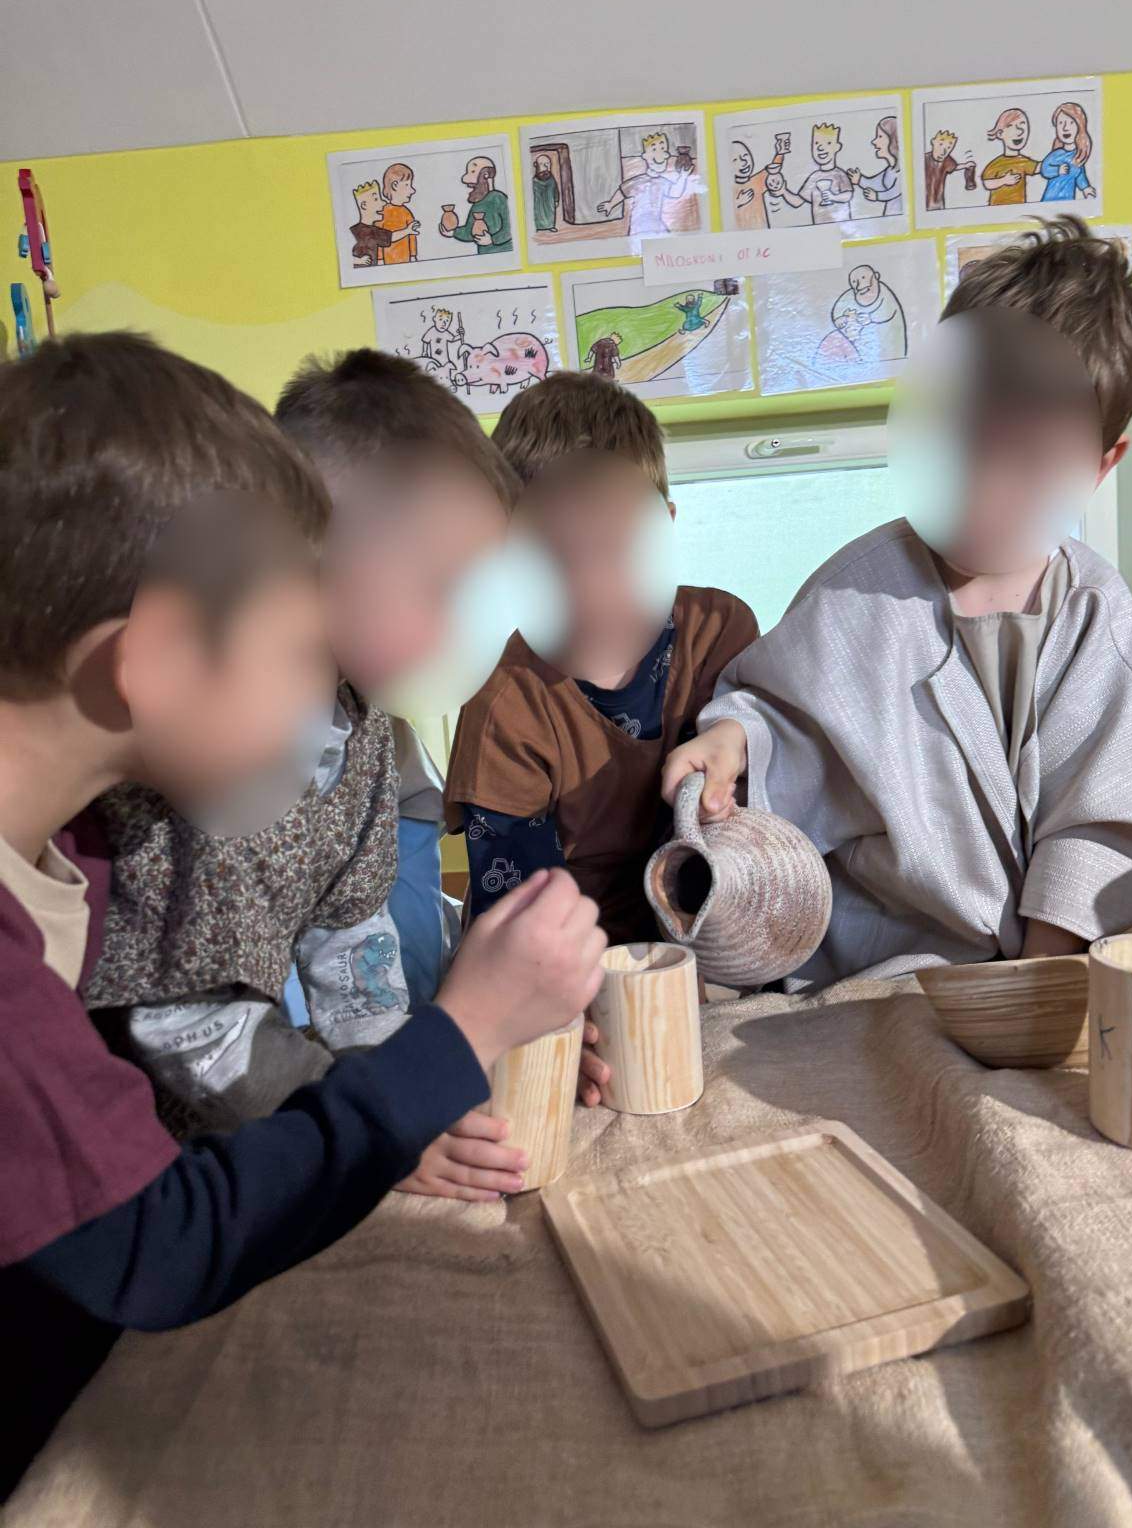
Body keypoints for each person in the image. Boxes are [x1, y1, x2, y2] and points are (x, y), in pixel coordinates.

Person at [0, 333, 606, 1497]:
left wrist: (436, 1069)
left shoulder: (69, 854)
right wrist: (454, 1040)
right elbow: (155, 1241)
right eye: (290, 642)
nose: (312, 698)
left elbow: (353, 957)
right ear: (150, 658)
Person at [664, 218, 1132, 985]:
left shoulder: (1092, 612)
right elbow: (792, 717)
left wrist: (1041, 975)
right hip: (882, 965)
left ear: (1100, 466)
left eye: (1032, 466)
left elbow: (1119, 811)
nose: (987, 491)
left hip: (1053, 960)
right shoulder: (860, 587)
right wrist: (735, 743)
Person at [82, 350, 550, 1208]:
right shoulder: (208, 734)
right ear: (314, 551)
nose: (457, 626)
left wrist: (398, 1101)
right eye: (438, 588)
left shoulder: (365, 731)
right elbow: (187, 1021)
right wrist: (362, 1130)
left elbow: (352, 938)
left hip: (272, 1132)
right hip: (146, 1170)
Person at [444, 369, 759, 1106]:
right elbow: (515, 913)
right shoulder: (504, 705)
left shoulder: (723, 633)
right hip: (573, 968)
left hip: (711, 942)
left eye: (619, 551)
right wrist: (563, 1013)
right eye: (552, 561)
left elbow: (766, 805)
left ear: (666, 530)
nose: (590, 590)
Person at [598, 132, 690, 238]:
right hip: (639, 225)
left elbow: (675, 193)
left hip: (656, 224)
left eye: (663, 149)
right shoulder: (638, 181)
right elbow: (622, 191)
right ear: (645, 156)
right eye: (654, 149)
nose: (661, 154)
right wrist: (610, 204)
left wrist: (683, 176)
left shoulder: (663, 182)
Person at [442, 156, 512, 254]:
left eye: (473, 172)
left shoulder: (499, 198)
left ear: (486, 175)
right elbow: (470, 231)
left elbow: (511, 227)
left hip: (504, 251)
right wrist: (453, 233)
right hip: (484, 254)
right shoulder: (478, 203)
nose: (465, 180)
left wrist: (492, 239)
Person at [1039, 102, 1096, 201]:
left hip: (1068, 199)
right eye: (1061, 123)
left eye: (1071, 123)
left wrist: (1085, 188)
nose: (1065, 128)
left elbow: (1080, 175)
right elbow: (1044, 169)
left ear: (1079, 127)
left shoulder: (1078, 157)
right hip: (1050, 199)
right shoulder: (1055, 154)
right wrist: (1057, 170)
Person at [982, 109, 1039, 205]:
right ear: (1000, 134)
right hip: (997, 207)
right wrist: (1003, 181)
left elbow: (1039, 168)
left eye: (1022, 125)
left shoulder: (1023, 162)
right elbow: (987, 183)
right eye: (1011, 126)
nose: (1020, 131)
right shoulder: (997, 163)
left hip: (1019, 207)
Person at [849, 116, 903, 216]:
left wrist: (877, 196)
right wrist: (860, 180)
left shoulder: (901, 171)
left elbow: (896, 191)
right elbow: (875, 183)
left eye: (880, 137)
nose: (874, 142)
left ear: (893, 140)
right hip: (890, 216)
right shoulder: (889, 171)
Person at [924, 128, 975, 211]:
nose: (944, 151)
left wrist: (966, 165)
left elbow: (954, 167)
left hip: (939, 203)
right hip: (924, 203)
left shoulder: (947, 160)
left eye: (948, 148)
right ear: (933, 141)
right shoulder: (924, 159)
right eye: (940, 144)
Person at [379, 163, 420, 264]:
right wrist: (379, 260)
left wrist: (413, 256)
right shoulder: (382, 212)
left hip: (406, 261)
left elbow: (412, 237)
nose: (412, 190)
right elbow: (378, 238)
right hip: (387, 263)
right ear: (395, 185)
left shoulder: (407, 213)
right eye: (407, 185)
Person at [350, 179, 393, 267]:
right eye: (376, 199)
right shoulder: (354, 231)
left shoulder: (375, 231)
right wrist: (357, 261)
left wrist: (407, 230)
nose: (383, 202)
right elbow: (342, 255)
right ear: (364, 205)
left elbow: (392, 237)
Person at [531, 154, 560, 233]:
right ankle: (538, 227)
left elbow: (556, 190)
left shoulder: (551, 179)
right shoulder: (534, 181)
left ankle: (550, 226)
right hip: (538, 203)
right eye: (542, 164)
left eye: (547, 163)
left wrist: (556, 200)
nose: (545, 166)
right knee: (538, 213)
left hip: (550, 202)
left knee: (550, 213)